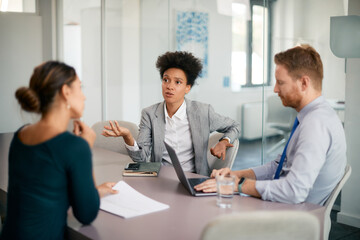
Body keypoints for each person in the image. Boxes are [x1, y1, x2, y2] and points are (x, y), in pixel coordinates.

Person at [194, 45, 346, 205]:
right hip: (287, 207)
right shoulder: (310, 117)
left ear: (304, 83)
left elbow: (294, 192)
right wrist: (235, 176)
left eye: (281, 82)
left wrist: (237, 185)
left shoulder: (316, 124)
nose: (275, 89)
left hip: (295, 217)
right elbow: (278, 167)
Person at [0, 61, 117, 240]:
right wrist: (85, 147)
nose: (84, 97)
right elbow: (87, 214)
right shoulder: (74, 147)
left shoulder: (20, 135)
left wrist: (96, 191)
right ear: (66, 92)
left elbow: (45, 191)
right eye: (80, 87)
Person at [102, 51, 241, 176]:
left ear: (188, 88)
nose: (169, 86)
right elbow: (141, 159)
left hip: (194, 178)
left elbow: (234, 126)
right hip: (161, 179)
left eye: (178, 82)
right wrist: (127, 136)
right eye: (165, 79)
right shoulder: (150, 114)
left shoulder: (203, 112)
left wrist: (224, 141)